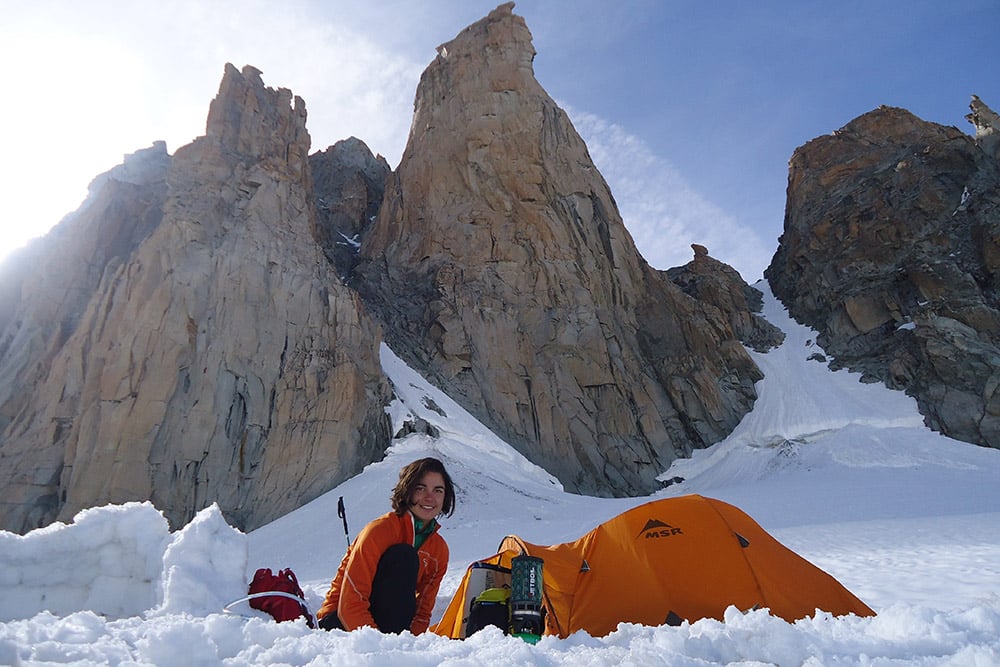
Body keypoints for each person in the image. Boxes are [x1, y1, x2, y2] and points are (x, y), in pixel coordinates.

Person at [316, 457, 456, 634]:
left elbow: (422, 613)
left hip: (386, 630)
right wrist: (377, 646)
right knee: (404, 556)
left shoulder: (439, 550)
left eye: (438, 490)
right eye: (420, 488)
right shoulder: (380, 531)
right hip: (340, 624)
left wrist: (409, 646)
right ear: (407, 491)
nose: (429, 497)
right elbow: (350, 604)